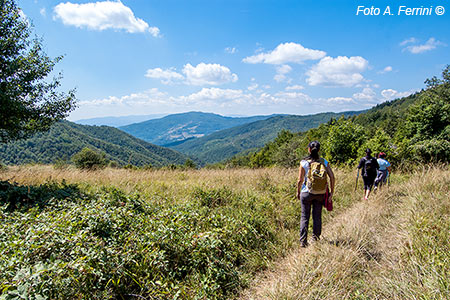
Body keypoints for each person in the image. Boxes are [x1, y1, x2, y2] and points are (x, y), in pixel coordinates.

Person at [296, 141, 335, 247]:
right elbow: (332, 177)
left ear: (308, 149)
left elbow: (300, 180)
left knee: (304, 216)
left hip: (306, 192)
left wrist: (298, 191)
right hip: (320, 193)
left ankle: (303, 241)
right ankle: (315, 239)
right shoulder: (324, 162)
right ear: (319, 150)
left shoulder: (303, 162)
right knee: (317, 216)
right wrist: (331, 192)